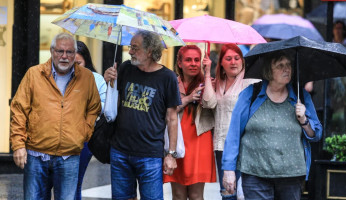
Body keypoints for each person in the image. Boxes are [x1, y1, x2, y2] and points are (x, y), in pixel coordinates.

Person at [10, 33, 101, 199]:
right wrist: (18, 145)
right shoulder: (34, 74)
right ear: (52, 51)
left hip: (69, 156)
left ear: (75, 53)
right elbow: (19, 110)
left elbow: (94, 108)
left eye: (69, 52)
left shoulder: (87, 78)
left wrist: (83, 132)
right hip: (36, 154)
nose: (64, 56)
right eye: (60, 51)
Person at [222, 51, 322, 200]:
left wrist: (304, 120)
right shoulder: (251, 94)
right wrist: (228, 169)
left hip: (291, 175)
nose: (286, 69)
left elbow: (317, 135)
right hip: (255, 173)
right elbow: (234, 133)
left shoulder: (300, 96)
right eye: (280, 65)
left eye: (288, 65)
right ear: (269, 70)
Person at [104, 30, 181, 200]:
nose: (130, 51)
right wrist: (109, 82)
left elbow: (172, 118)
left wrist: (170, 154)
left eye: (135, 48)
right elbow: (113, 107)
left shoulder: (167, 77)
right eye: (130, 47)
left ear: (150, 51)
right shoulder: (124, 68)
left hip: (150, 155)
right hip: (120, 151)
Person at [202, 43, 259, 200]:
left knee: (242, 194)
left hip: (243, 146)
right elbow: (208, 103)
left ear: (242, 60)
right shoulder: (217, 83)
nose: (233, 62)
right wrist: (207, 73)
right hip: (221, 146)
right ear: (221, 62)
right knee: (227, 193)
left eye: (236, 58)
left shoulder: (250, 82)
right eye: (228, 59)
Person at [163, 45, 216, 200]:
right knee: (178, 195)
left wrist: (207, 73)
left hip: (199, 141)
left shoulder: (208, 83)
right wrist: (187, 98)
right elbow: (166, 111)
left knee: (195, 195)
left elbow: (211, 104)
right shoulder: (171, 82)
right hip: (176, 140)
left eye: (196, 60)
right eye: (188, 60)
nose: (193, 63)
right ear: (179, 63)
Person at [74, 41, 107, 200]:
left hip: (85, 138)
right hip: (58, 136)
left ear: (86, 60)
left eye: (78, 63)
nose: (75, 67)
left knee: (75, 181)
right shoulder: (58, 77)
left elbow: (104, 107)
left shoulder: (96, 79)